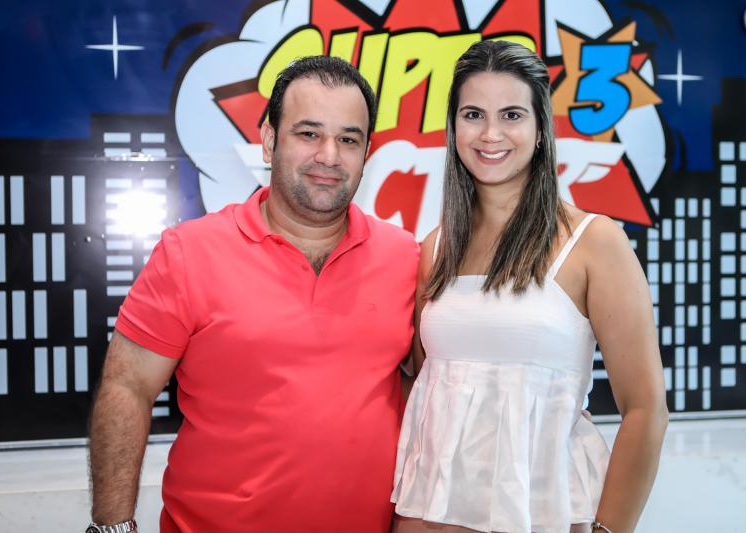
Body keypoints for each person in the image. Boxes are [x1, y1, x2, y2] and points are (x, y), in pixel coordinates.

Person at [87, 56, 419, 533]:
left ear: (367, 152)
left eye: (348, 139)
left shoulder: (406, 258)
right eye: (309, 133)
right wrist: (112, 527)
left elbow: (428, 388)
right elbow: (127, 387)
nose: (329, 155)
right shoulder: (189, 253)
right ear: (268, 140)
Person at [390, 41, 668, 533]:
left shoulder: (593, 242)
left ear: (541, 130)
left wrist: (609, 529)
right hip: (425, 516)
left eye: (512, 115)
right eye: (473, 114)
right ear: (453, 128)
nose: (490, 134)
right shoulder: (435, 248)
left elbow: (646, 411)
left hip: (544, 516)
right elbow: (420, 384)